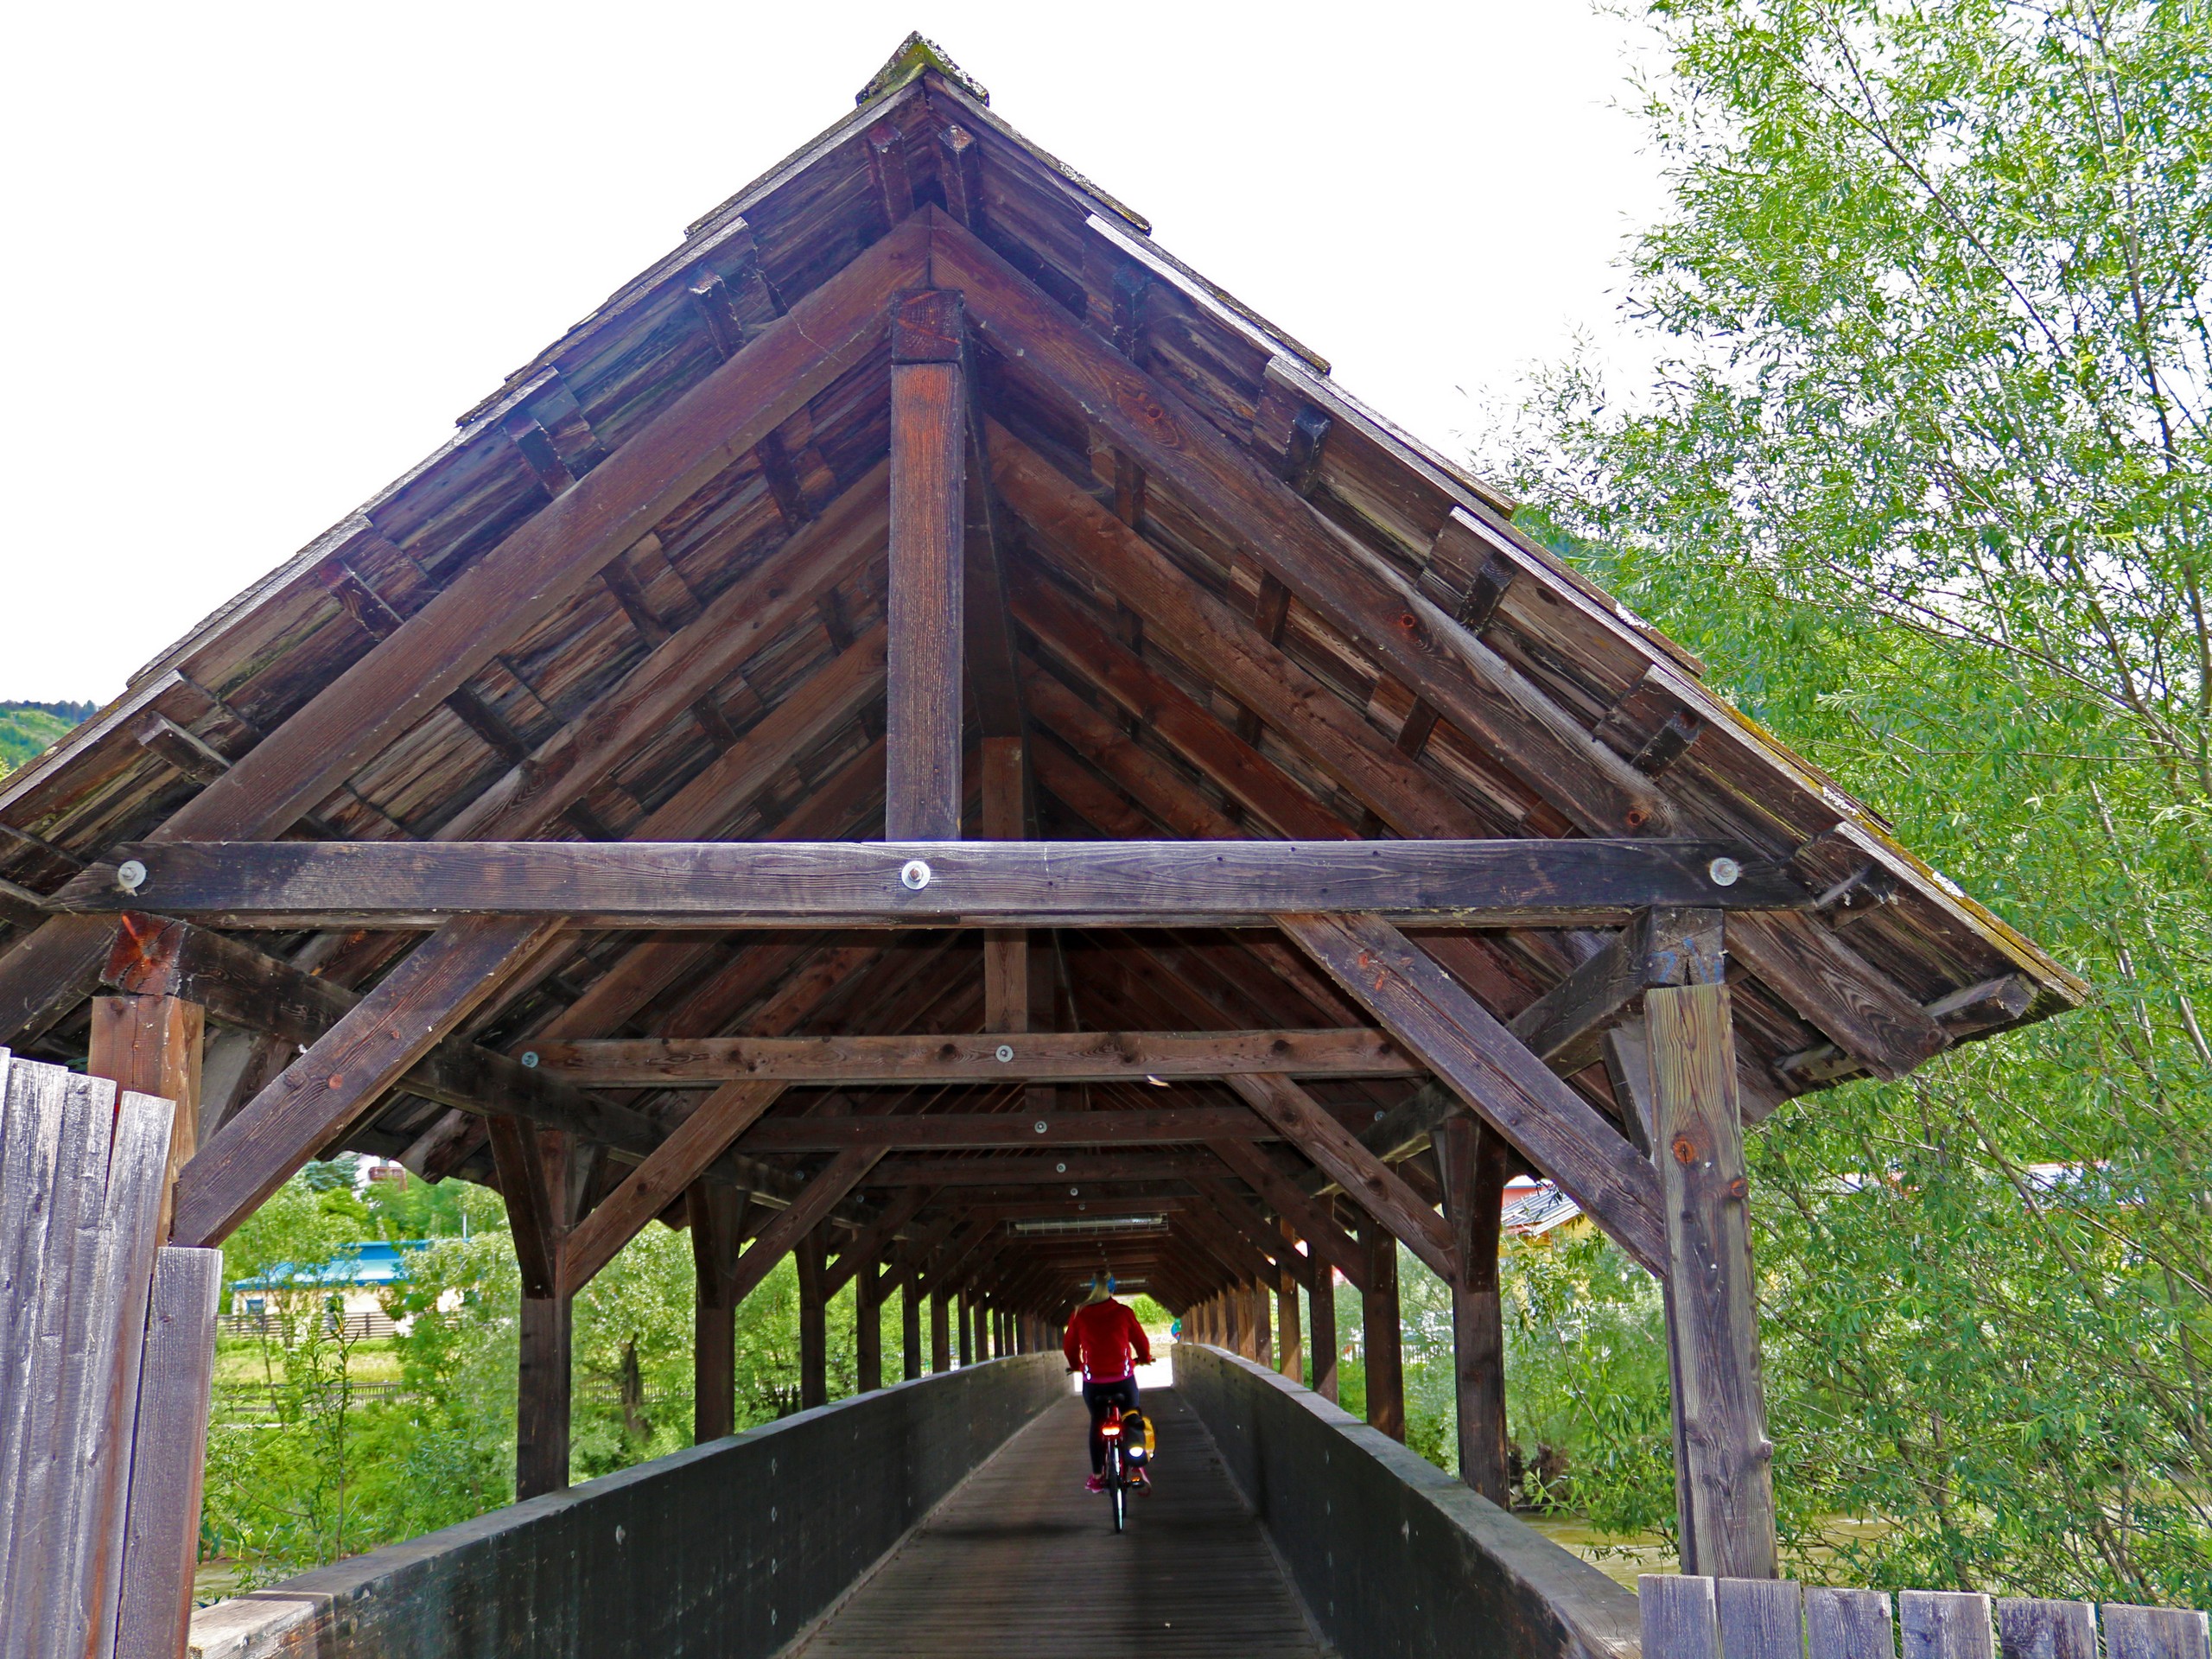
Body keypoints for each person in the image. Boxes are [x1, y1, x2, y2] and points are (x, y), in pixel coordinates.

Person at [1063, 1272, 1153, 1494]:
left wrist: (1076, 1364)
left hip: (1094, 1384)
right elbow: (1141, 1342)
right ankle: (1134, 1465)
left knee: (1097, 1421)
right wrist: (1144, 1358)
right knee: (1132, 1415)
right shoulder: (1124, 1312)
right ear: (1113, 1289)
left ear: (1091, 1289)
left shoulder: (1079, 1314)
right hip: (1122, 1380)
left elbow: (1070, 1347)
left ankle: (1096, 1476)